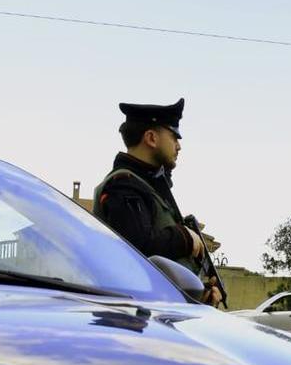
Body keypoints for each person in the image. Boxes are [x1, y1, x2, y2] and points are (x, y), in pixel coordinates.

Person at [93, 98, 223, 306]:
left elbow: (161, 268)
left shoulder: (147, 186)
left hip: (155, 315)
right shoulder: (122, 185)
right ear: (151, 138)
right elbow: (138, 247)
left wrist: (198, 296)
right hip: (133, 319)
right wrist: (185, 239)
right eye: (174, 137)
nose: (179, 146)